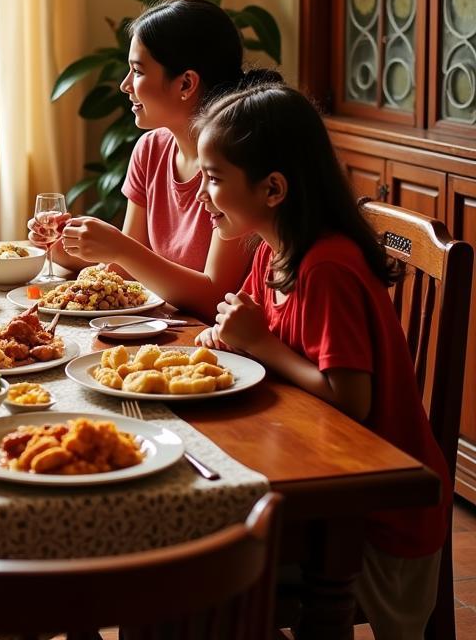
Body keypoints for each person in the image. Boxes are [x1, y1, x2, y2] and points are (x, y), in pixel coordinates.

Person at [193, 83, 451, 639]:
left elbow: (351, 401)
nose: (201, 193)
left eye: (213, 178)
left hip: (373, 515)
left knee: (200, 564)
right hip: (312, 467)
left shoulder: (326, 267)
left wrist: (257, 344)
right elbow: (253, 331)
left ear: (273, 188)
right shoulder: (273, 247)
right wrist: (227, 337)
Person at [37, 0, 263, 319]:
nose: (125, 85)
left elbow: (216, 297)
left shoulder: (238, 163)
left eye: (137, 70)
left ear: (186, 83)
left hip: (220, 343)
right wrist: (62, 243)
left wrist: (120, 248)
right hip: (170, 327)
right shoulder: (151, 149)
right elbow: (126, 269)